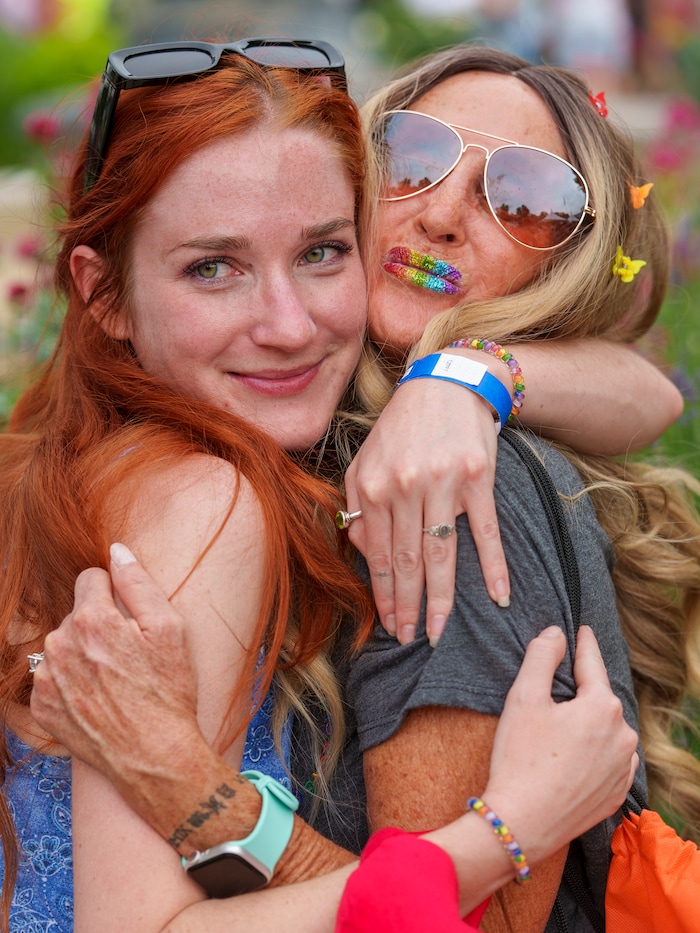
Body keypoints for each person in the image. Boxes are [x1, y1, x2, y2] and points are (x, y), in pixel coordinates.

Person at [29, 40, 700, 933]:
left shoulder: (454, 498)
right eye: (416, 159)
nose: (446, 219)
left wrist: (187, 782)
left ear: (566, 268)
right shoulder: (264, 438)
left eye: (524, 200)